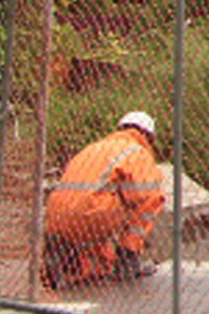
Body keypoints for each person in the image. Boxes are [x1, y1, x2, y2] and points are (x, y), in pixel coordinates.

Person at [43, 110, 166, 288]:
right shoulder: (137, 152)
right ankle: (128, 259)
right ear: (148, 136)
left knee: (103, 200)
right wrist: (130, 242)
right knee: (152, 197)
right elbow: (145, 196)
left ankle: (65, 255)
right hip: (90, 216)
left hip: (56, 218)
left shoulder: (95, 147)